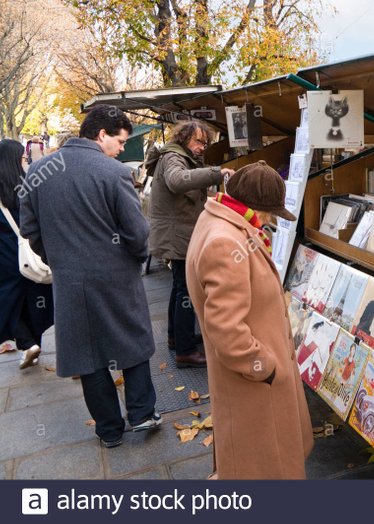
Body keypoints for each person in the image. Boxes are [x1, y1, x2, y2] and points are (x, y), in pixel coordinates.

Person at [20, 105, 161, 448]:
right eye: (119, 141)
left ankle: (109, 430)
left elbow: (30, 229)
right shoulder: (113, 172)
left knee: (87, 352)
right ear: (101, 135)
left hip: (69, 280)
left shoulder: (38, 172)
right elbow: (137, 232)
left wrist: (57, 258)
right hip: (117, 276)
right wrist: (137, 258)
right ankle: (142, 414)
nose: (120, 149)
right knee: (132, 340)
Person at [186, 160, 313, 479]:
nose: (270, 220)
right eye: (270, 212)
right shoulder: (226, 242)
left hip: (252, 381)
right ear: (254, 206)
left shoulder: (219, 221)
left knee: (253, 461)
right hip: (254, 385)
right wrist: (264, 368)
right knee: (264, 466)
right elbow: (225, 328)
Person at [146, 121, 234, 368]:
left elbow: (187, 193)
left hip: (177, 234)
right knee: (185, 289)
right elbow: (177, 181)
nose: (202, 147)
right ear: (184, 138)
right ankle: (185, 351)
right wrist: (217, 173)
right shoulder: (173, 157)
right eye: (198, 142)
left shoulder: (176, 155)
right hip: (177, 236)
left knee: (179, 287)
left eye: (205, 143)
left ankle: (177, 338)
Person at [0, 139, 53, 369]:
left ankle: (27, 343)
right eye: (22, 158)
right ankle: (32, 344)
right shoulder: (30, 185)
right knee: (34, 299)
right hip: (32, 254)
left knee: (9, 303)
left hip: (5, 257)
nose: (25, 161)